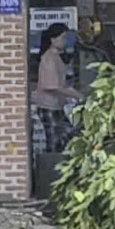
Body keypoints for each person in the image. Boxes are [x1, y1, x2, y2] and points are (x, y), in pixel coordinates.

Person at [31, 23, 82, 154]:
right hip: (48, 106)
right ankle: (50, 164)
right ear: (53, 40)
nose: (64, 41)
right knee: (54, 142)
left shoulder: (56, 57)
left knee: (68, 136)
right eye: (62, 38)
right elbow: (51, 86)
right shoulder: (48, 58)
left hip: (56, 106)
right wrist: (74, 94)